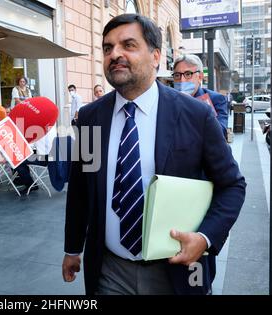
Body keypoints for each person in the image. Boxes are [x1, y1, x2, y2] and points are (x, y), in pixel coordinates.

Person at [62, 14, 246, 295]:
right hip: (110, 271)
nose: (115, 54)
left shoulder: (196, 115)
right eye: (108, 48)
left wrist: (205, 238)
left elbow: (232, 185)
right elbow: (81, 189)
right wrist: (73, 248)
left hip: (179, 270)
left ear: (156, 56)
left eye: (128, 45)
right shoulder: (90, 117)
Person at [172, 55, 229, 138]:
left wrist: (193, 105)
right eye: (177, 75)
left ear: (200, 77)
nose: (182, 80)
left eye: (188, 74)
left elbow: (220, 133)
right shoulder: (169, 100)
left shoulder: (216, 99)